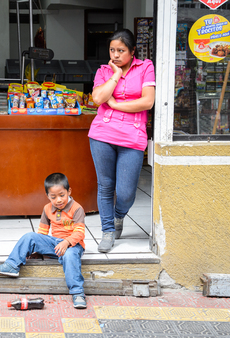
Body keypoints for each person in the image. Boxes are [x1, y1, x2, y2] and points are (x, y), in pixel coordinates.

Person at [89, 29, 155, 253]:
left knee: (126, 193)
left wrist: (116, 105)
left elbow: (147, 102)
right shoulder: (104, 71)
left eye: (121, 51)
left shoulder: (145, 67)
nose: (115, 55)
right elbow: (98, 98)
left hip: (133, 136)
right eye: (112, 50)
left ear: (132, 51)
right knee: (105, 186)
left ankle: (119, 215)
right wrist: (115, 74)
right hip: (102, 134)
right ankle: (108, 231)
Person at [0, 173, 87, 309]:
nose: (58, 200)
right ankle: (12, 265)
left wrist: (67, 242)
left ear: (69, 191)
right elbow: (42, 233)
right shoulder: (47, 208)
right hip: (55, 244)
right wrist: (39, 251)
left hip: (73, 245)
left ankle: (77, 293)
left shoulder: (77, 209)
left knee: (70, 255)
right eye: (53, 197)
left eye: (62, 195)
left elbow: (79, 233)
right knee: (30, 236)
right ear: (48, 196)